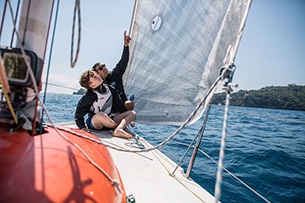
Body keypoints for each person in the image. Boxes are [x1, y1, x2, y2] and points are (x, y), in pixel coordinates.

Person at [74, 70, 136, 139]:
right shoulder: (90, 96)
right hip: (96, 122)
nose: (98, 76)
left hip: (109, 119)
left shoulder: (111, 89)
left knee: (132, 113)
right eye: (95, 77)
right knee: (101, 115)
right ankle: (119, 127)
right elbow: (78, 114)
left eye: (96, 75)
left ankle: (118, 129)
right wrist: (82, 127)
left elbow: (120, 106)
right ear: (92, 85)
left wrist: (128, 119)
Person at [92, 31, 134, 111]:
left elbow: (123, 61)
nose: (103, 68)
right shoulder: (98, 85)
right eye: (100, 68)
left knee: (129, 103)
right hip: (108, 111)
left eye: (103, 65)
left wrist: (126, 46)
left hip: (122, 107)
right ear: (97, 74)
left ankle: (128, 116)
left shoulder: (116, 74)